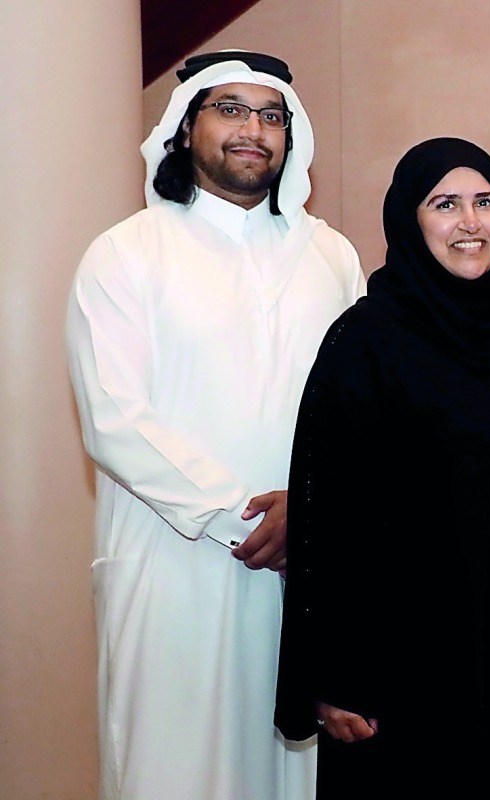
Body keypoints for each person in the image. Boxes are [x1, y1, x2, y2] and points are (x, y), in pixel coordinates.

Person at [66, 51, 365, 800]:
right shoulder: (126, 253)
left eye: (271, 116)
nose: (252, 130)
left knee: (291, 771)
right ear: (186, 125)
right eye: (230, 108)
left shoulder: (332, 256)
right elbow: (114, 419)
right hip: (174, 567)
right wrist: (241, 517)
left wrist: (312, 510)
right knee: (172, 770)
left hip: (305, 565)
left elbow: (364, 411)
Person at [274, 137, 490, 798]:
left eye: (486, 202)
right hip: (415, 659)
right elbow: (329, 513)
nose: (471, 221)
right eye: (445, 203)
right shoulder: (366, 340)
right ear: (409, 218)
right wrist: (334, 674)